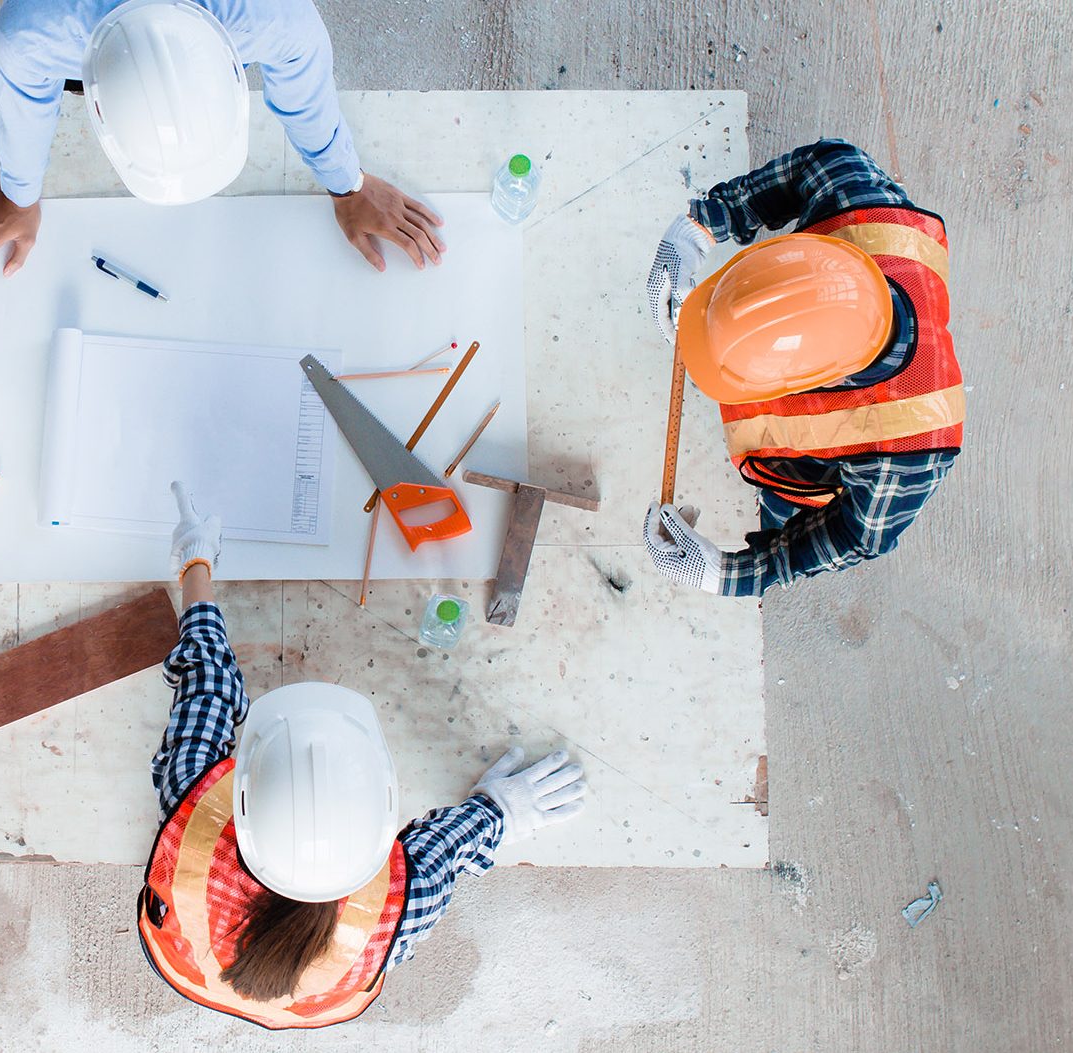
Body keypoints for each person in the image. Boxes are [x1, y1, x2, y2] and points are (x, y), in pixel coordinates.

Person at [137, 483, 588, 1028]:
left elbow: (206, 682)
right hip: (309, 1001)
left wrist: (196, 562)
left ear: (244, 801)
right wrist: (505, 811)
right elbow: (448, 850)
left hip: (182, 961)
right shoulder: (390, 912)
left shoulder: (195, 809)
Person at [639, 138, 964, 596]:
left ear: (810, 384)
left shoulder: (911, 453)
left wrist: (731, 574)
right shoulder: (859, 205)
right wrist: (701, 226)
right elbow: (810, 167)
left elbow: (856, 536)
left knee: (781, 505)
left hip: (800, 474)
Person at [0, 0, 446, 291]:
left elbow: (305, 85)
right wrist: (17, 192)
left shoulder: (276, 18)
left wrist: (348, 184)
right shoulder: (36, 30)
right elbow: (24, 95)